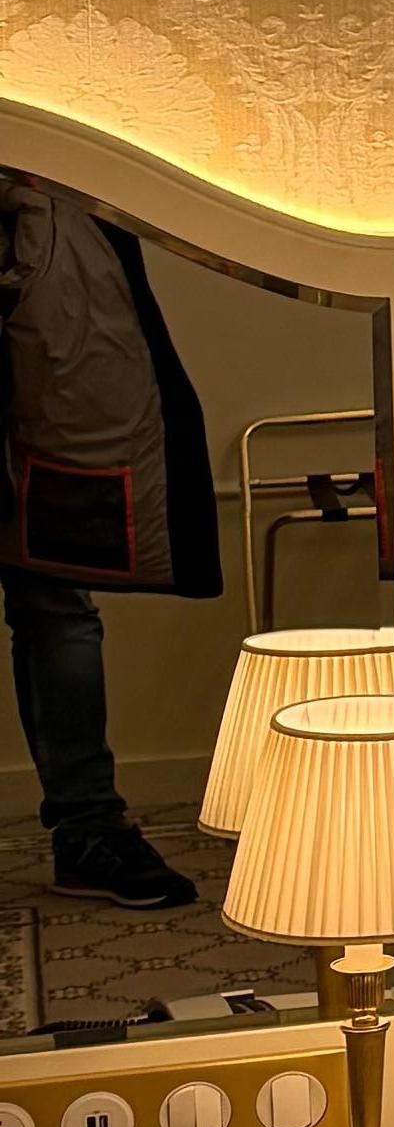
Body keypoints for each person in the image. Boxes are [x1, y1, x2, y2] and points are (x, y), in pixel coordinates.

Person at [0, 173, 211, 908]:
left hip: (48, 265)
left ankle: (88, 830)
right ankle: (88, 827)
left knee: (56, 597)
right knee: (56, 606)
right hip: (47, 254)